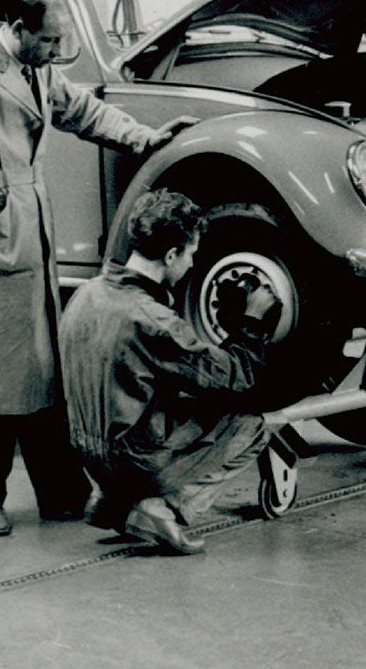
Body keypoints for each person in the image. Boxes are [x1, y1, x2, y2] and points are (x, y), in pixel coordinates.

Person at [0, 0, 197, 537]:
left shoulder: (38, 68)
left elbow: (80, 110)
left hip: (29, 229)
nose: (58, 53)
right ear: (18, 28)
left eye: (62, 43)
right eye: (50, 41)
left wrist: (142, 137)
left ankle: (61, 491)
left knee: (40, 372)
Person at [58, 189, 278, 555]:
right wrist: (251, 322)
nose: (193, 264)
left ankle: (112, 500)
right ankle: (160, 508)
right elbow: (237, 377)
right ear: (172, 254)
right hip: (132, 460)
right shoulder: (154, 320)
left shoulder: (87, 293)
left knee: (173, 402)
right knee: (254, 424)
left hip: (86, 452)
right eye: (191, 254)